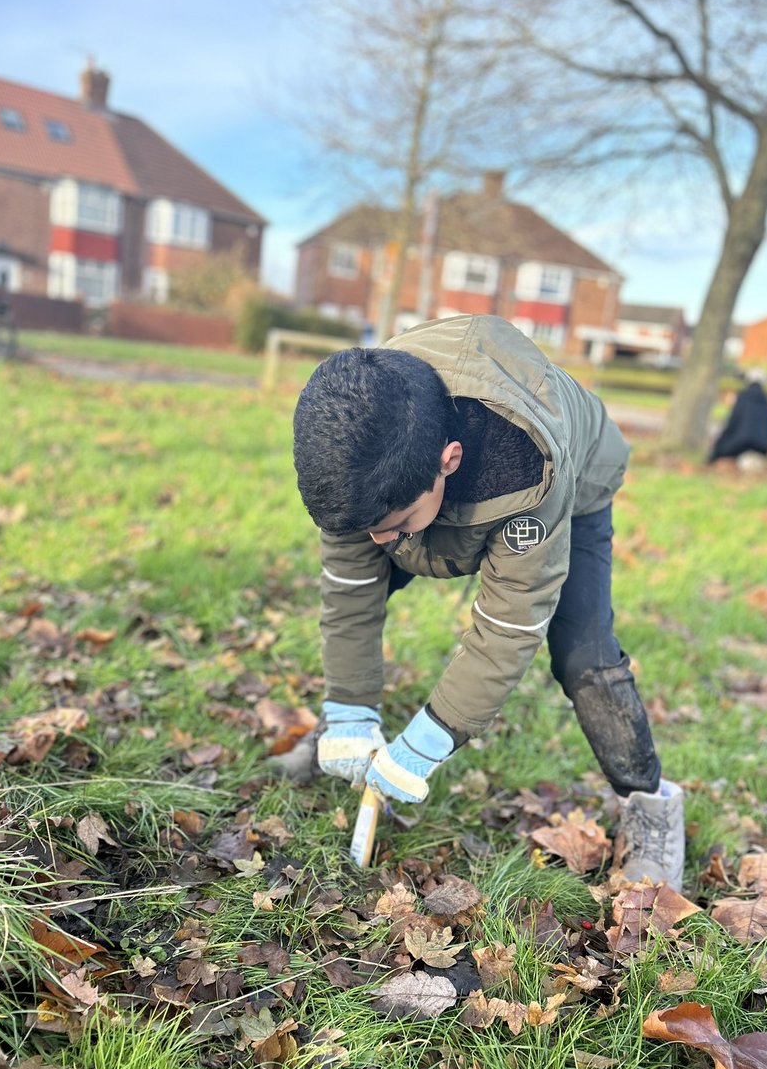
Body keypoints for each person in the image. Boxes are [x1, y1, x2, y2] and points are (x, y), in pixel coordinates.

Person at [292, 314, 685, 890]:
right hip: (411, 485)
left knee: (582, 653)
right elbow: (350, 592)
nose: (375, 542)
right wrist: (351, 709)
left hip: (570, 483)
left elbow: (507, 624)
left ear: (447, 460)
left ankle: (651, 804)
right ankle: (346, 734)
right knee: (370, 566)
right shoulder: (358, 454)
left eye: (391, 526)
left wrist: (433, 738)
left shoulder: (530, 471)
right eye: (365, 529)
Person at [707, 368, 767, 466]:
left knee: (720, 449)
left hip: (742, 443)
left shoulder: (743, 398)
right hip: (762, 446)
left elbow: (732, 423)